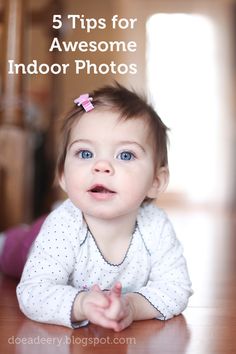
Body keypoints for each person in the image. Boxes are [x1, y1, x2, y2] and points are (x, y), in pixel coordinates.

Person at [4, 83, 192, 331]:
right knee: (13, 249)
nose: (101, 166)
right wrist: (81, 304)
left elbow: (176, 287)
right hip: (33, 243)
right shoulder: (62, 226)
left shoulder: (156, 227)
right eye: (85, 153)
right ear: (62, 175)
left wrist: (132, 306)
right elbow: (33, 292)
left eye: (125, 155)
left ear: (156, 182)